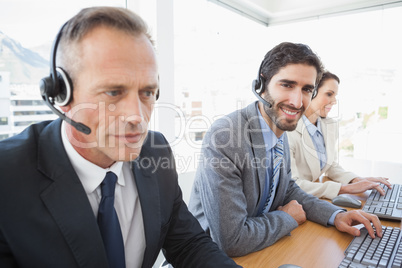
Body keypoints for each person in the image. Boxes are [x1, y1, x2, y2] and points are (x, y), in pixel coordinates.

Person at [0, 7, 241, 268]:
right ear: (62, 95)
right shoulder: (8, 177)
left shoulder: (156, 151)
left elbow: (188, 245)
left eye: (147, 92)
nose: (136, 116)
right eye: (114, 92)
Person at [188, 42, 383, 257]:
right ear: (262, 84)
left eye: (307, 89)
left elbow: (287, 189)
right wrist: (287, 218)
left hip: (257, 251)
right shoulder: (226, 136)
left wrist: (336, 215)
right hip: (207, 257)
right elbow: (231, 240)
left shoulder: (280, 132)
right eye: (287, 85)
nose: (297, 101)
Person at [287, 71, 391, 200]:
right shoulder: (288, 131)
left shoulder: (329, 125)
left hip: (314, 197)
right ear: (311, 93)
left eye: (335, 95)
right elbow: (293, 184)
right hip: (295, 200)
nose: (334, 101)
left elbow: (331, 166)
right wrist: (345, 189)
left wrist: (357, 180)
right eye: (329, 94)